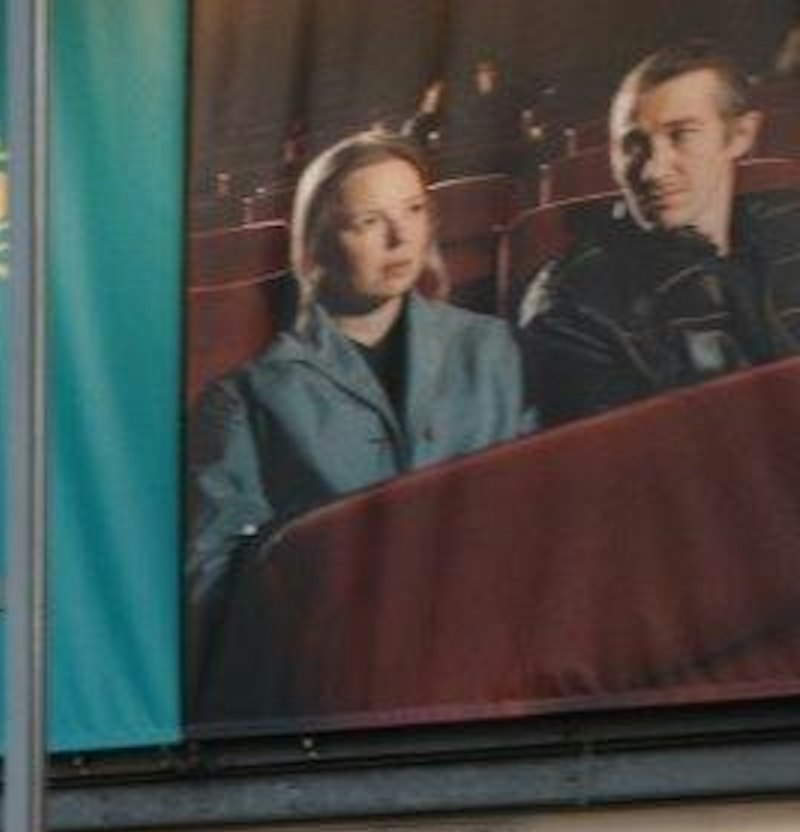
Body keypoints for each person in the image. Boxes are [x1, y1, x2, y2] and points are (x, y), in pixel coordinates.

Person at [184, 131, 529, 629]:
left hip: (490, 628)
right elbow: (212, 581)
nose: (400, 238)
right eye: (368, 222)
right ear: (317, 241)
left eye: (412, 211)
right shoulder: (245, 398)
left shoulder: (492, 347)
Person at [516, 41, 800, 422]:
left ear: (740, 136)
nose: (652, 171)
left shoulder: (790, 221)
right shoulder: (570, 302)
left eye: (681, 135)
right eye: (633, 144)